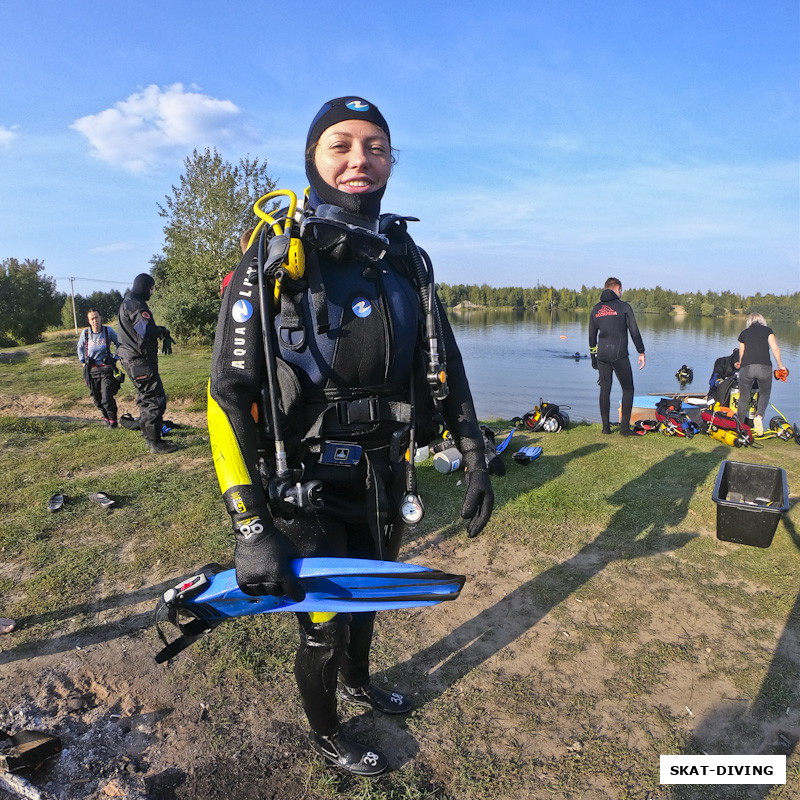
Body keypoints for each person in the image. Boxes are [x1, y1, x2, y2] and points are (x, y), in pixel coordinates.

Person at [207, 96, 494, 777]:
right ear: (313, 157)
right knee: (322, 628)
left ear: (392, 160)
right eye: (341, 144)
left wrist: (477, 457)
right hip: (305, 486)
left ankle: (362, 684)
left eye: (375, 145)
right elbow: (227, 395)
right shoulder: (274, 258)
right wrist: (250, 526)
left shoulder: (407, 261)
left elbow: (446, 365)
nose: (359, 158)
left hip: (385, 475)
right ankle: (328, 729)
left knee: (370, 600)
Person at [117, 273, 177, 454]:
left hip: (132, 360)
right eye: (151, 288)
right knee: (154, 398)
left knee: (145, 396)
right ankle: (155, 443)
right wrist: (162, 331)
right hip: (139, 360)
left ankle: (149, 433)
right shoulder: (136, 303)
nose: (151, 292)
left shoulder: (128, 301)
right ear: (144, 287)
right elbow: (144, 330)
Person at [588, 277, 646, 436]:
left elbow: (592, 338)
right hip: (619, 354)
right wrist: (641, 351)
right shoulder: (624, 307)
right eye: (621, 290)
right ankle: (625, 429)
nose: (622, 292)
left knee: (604, 390)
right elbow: (634, 331)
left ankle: (606, 428)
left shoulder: (596, 309)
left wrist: (594, 359)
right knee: (628, 389)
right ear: (617, 289)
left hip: (602, 356)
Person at [735, 312, 787, 435]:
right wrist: (780, 365)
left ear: (749, 321)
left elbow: (741, 353)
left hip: (747, 368)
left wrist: (740, 364)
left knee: (743, 397)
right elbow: (775, 348)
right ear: (762, 320)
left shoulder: (744, 333)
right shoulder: (768, 330)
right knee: (764, 394)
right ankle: (759, 416)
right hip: (764, 367)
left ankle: (740, 428)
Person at [77, 309, 121, 427]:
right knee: (97, 400)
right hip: (91, 371)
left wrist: (115, 358)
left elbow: (120, 344)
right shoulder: (85, 334)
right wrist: (83, 362)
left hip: (106, 369)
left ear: (100, 318)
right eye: (92, 318)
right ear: (89, 321)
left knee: (106, 398)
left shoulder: (108, 331)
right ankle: (106, 419)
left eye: (96, 317)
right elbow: (80, 348)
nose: (95, 321)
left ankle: (113, 422)